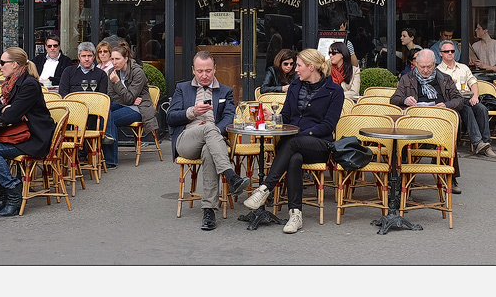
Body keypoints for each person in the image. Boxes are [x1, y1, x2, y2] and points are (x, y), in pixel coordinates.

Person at [243, 48, 345, 234]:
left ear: (311, 67)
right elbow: (287, 117)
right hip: (293, 146)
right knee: (294, 158)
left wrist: (302, 134)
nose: (295, 69)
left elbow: (328, 125)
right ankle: (295, 214)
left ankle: (265, 187)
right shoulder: (295, 86)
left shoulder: (334, 91)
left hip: (319, 144)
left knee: (294, 142)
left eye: (298, 65)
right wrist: (272, 117)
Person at [167, 51, 249, 230]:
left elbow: (228, 118)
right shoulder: (182, 88)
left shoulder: (225, 91)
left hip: (213, 143)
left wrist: (213, 132)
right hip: (186, 141)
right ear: (193, 71)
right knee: (208, 129)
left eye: (208, 71)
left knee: (209, 150)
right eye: (200, 71)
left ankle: (209, 211)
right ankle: (231, 175)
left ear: (215, 70)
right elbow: (171, 118)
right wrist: (193, 112)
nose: (204, 75)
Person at [0, 47, 56, 217]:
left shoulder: (29, 84)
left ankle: (13, 192)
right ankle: (4, 196)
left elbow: (11, 116)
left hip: (34, 138)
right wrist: (3, 109)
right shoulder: (11, 84)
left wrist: (5, 110)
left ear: (14, 65)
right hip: (21, 135)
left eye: (2, 63)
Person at [390, 48, 464, 193]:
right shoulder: (407, 78)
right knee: (400, 133)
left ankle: (451, 176)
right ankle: (403, 176)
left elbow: (459, 100)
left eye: (429, 67)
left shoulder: (444, 78)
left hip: (439, 121)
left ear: (434, 64)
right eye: (421, 67)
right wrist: (405, 99)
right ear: (416, 65)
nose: (425, 70)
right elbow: (393, 99)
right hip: (414, 121)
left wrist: (446, 105)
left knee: (450, 131)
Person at [437, 40, 496, 158]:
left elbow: (473, 83)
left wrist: (475, 96)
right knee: (467, 110)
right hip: (453, 101)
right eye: (446, 51)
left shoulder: (463, 67)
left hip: (467, 98)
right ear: (441, 53)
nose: (450, 53)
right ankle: (478, 143)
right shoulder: (438, 71)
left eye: (452, 51)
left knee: (481, 108)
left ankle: (486, 143)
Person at [104, 44, 158, 169]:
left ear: (126, 58)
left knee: (109, 117)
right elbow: (111, 96)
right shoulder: (112, 72)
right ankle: (94, 152)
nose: (114, 62)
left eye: (117, 59)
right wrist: (128, 99)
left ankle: (110, 161)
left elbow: (129, 97)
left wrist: (117, 83)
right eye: (112, 59)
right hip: (124, 104)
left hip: (140, 108)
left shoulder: (137, 72)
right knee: (103, 111)